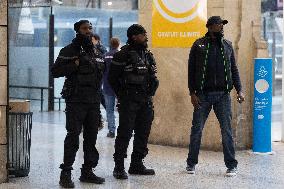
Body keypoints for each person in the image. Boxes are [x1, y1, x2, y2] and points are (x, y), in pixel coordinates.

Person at [186, 16, 245, 177]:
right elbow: (191, 71)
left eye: (222, 24)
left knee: (226, 131)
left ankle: (231, 165)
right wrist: (192, 93)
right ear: (210, 27)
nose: (222, 27)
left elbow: (234, 69)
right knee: (196, 130)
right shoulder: (198, 45)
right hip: (202, 95)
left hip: (223, 96)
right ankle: (191, 163)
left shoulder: (227, 45)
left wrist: (239, 90)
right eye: (219, 24)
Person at [51, 20, 105, 188]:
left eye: (90, 28)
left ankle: (87, 171)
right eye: (84, 28)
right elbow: (55, 71)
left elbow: (99, 78)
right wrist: (73, 64)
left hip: (93, 101)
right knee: (73, 137)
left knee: (91, 138)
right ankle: (65, 173)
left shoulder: (96, 51)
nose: (88, 31)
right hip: (76, 101)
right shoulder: (69, 50)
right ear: (77, 31)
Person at [108, 24, 159, 179]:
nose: (146, 37)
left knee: (143, 133)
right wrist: (123, 96)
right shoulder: (122, 55)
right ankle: (119, 166)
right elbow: (112, 79)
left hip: (145, 100)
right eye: (143, 34)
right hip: (129, 100)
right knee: (125, 133)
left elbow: (152, 77)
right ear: (134, 36)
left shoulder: (148, 55)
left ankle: (136, 164)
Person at [103, 37, 120, 138]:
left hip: (107, 86)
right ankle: (124, 130)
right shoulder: (121, 55)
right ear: (118, 44)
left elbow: (102, 71)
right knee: (123, 109)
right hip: (119, 87)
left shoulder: (105, 56)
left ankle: (112, 131)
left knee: (109, 110)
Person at [91, 34, 106, 131]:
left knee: (99, 98)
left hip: (98, 79)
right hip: (93, 79)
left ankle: (99, 120)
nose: (91, 41)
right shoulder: (91, 49)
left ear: (97, 40)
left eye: (92, 39)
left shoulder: (101, 50)